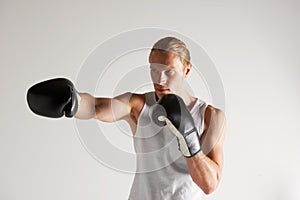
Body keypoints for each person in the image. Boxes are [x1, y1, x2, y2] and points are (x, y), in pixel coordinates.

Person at [27, 37, 226, 199]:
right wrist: (74, 101)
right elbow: (96, 106)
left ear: (187, 70)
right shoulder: (138, 105)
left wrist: (189, 140)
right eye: (154, 70)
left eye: (169, 71)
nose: (160, 80)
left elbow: (210, 185)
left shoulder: (211, 116)